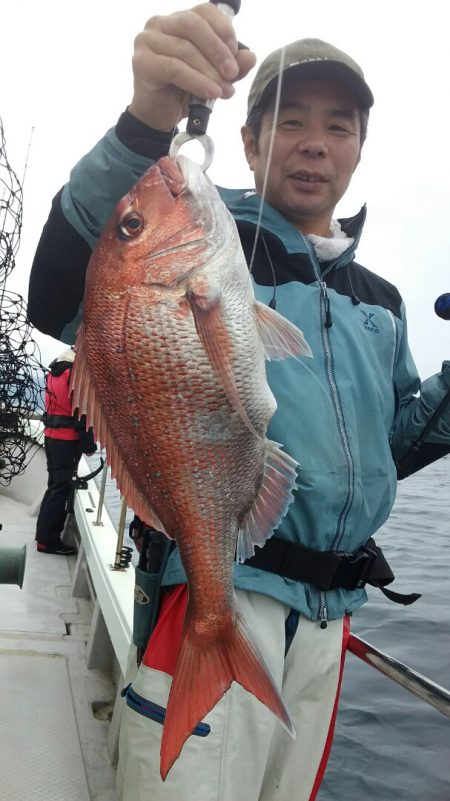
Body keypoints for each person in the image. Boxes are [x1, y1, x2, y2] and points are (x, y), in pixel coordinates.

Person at [27, 4, 450, 799]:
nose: (315, 142)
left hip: (331, 622)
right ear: (250, 141)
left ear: (359, 150)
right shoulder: (195, 237)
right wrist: (146, 121)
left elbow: (396, 444)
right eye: (289, 120)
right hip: (218, 591)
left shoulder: (382, 302)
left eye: (338, 127)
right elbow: (59, 290)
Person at [36, 347, 97, 555]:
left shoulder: (55, 371)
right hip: (67, 442)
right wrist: (89, 446)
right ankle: (48, 542)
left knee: (54, 485)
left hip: (51, 437)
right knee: (60, 489)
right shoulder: (75, 373)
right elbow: (81, 413)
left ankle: (42, 536)